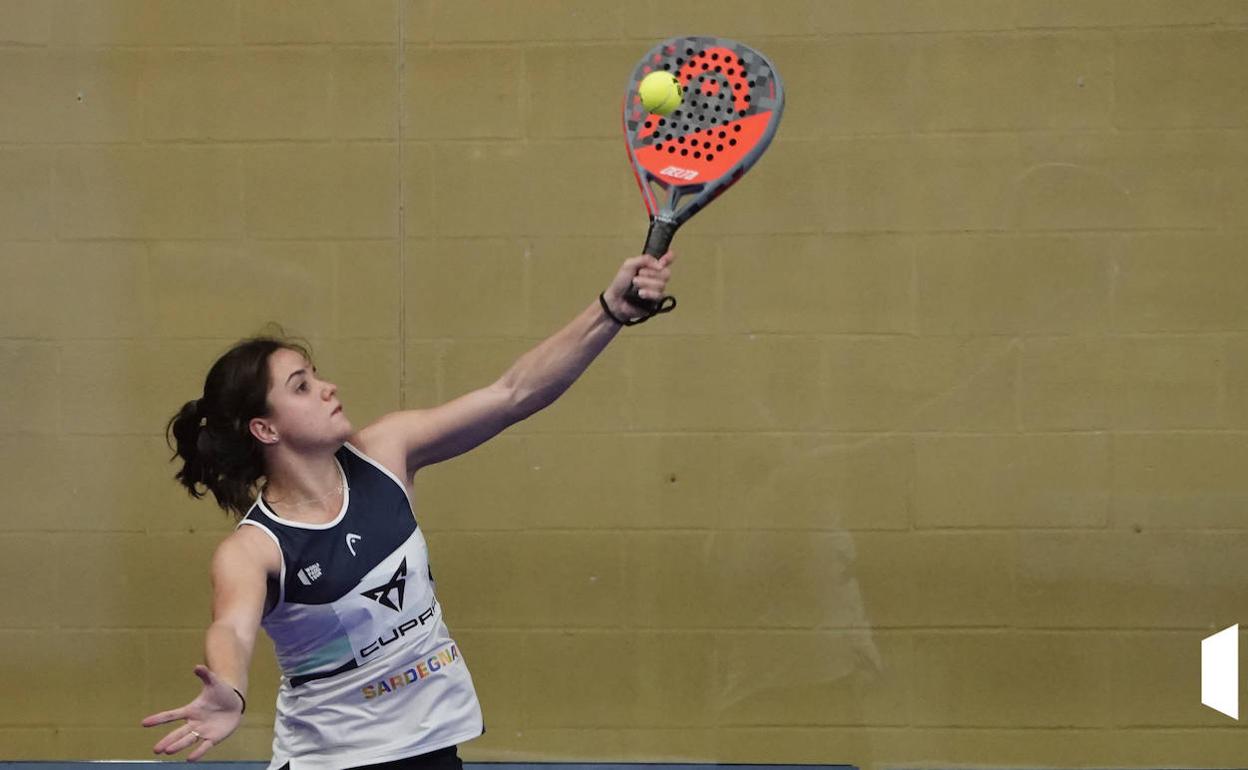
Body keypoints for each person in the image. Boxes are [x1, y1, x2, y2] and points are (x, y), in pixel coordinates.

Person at [142, 253, 675, 769]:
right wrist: (230, 687)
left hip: (431, 748)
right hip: (336, 764)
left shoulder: (385, 454)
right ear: (266, 429)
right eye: (302, 387)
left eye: (316, 375)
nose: (328, 388)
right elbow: (232, 628)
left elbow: (513, 394)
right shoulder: (253, 548)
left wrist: (608, 312)